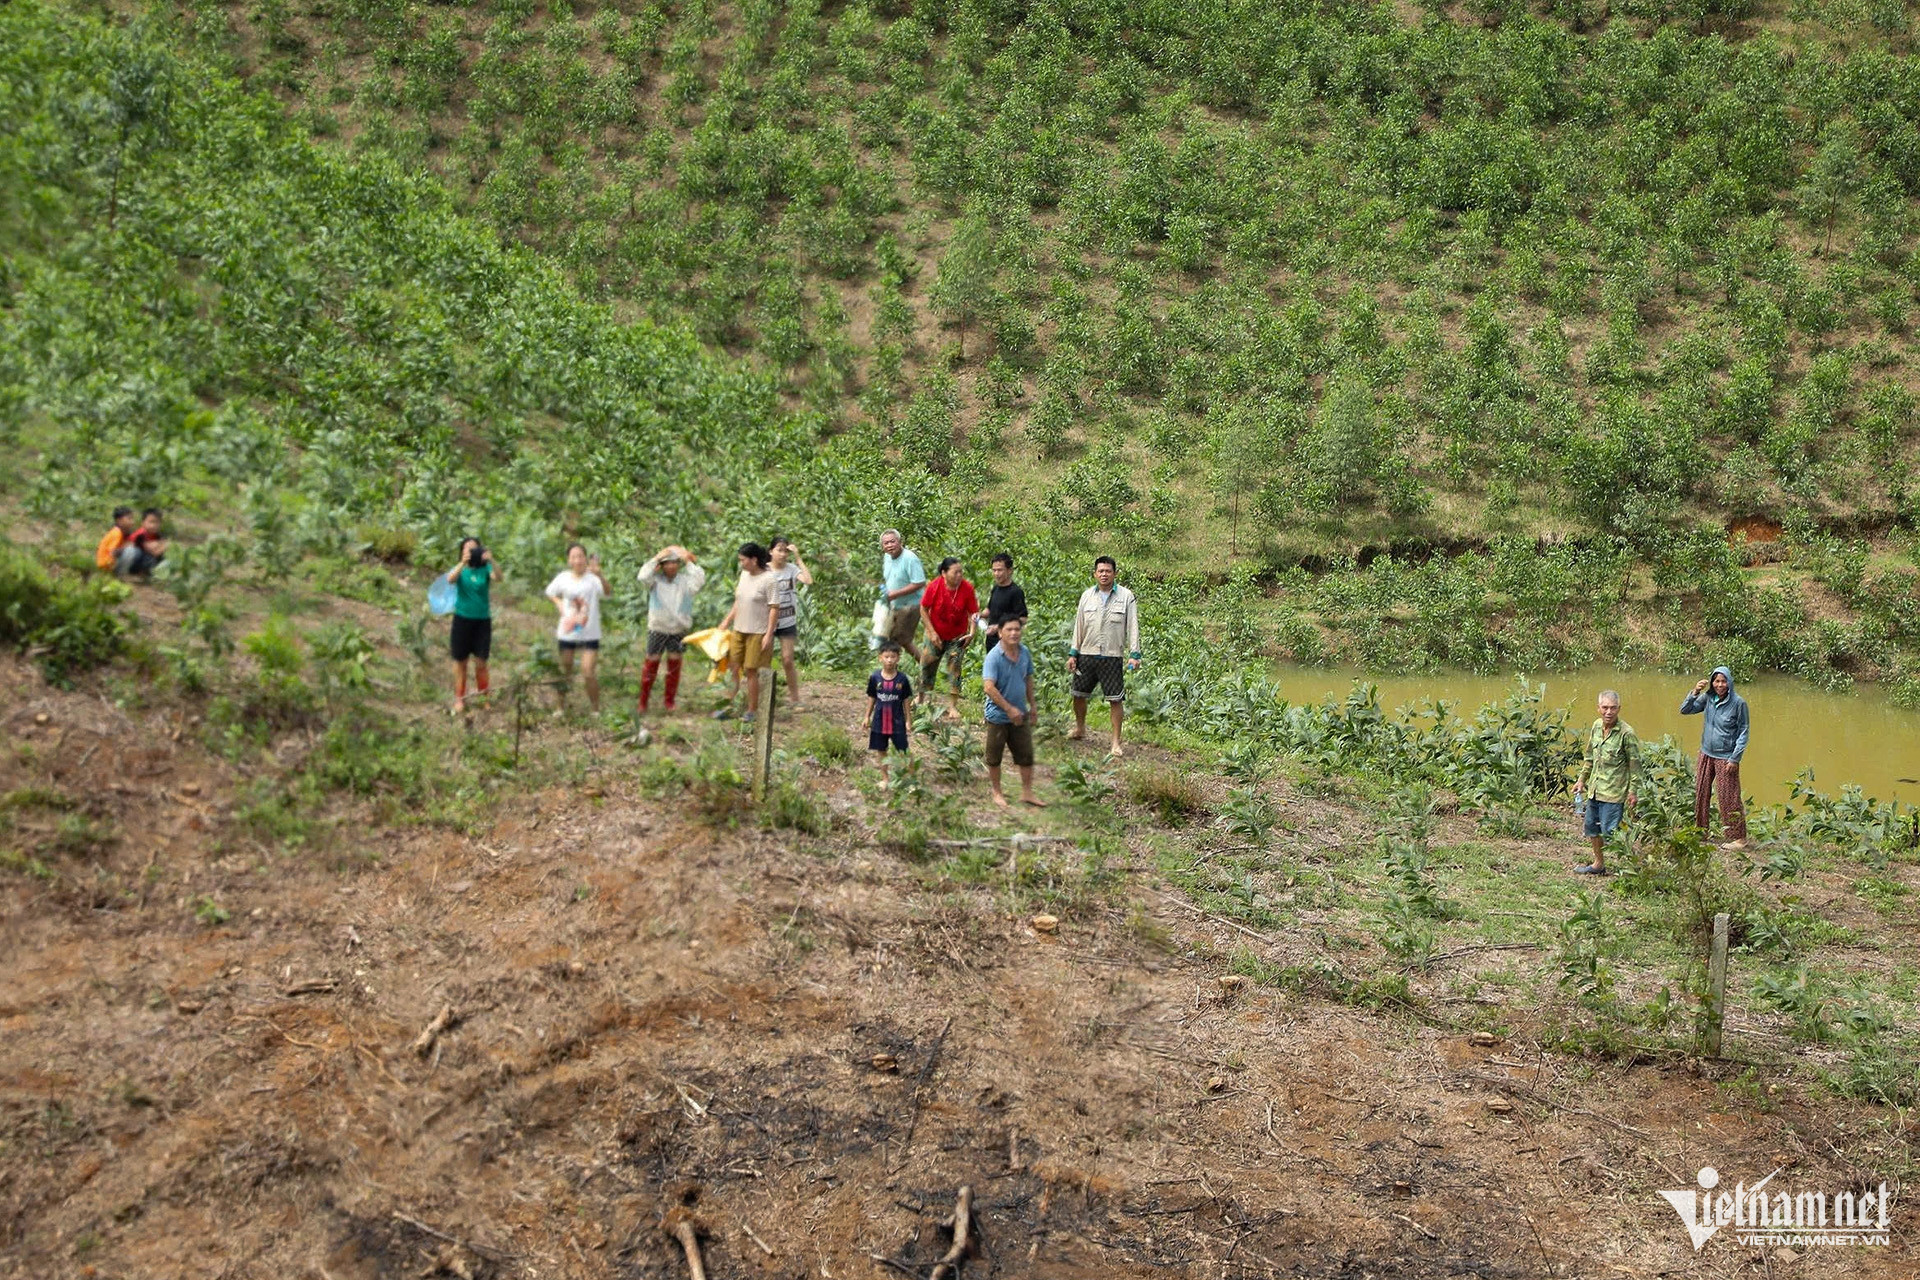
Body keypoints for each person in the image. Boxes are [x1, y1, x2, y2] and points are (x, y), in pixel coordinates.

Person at [1068, 555, 1141, 757]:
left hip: (1112, 655)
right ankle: (1080, 728)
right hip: (1087, 653)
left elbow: (1133, 626)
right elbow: (1079, 626)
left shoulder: (1126, 596)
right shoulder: (1087, 596)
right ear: (1095, 574)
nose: (1104, 574)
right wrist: (1073, 653)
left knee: (1116, 699)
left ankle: (1116, 742)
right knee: (1078, 694)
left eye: (1108, 571)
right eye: (1100, 571)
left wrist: (1134, 654)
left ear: (1115, 574)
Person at [1572, 690, 1640, 876]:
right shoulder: (1596, 726)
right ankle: (1598, 864)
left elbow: (1635, 766)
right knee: (1592, 828)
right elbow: (1589, 757)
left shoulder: (1626, 733)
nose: (1609, 712)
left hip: (1614, 792)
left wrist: (1632, 792)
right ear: (1598, 708)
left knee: (1612, 833)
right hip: (1595, 790)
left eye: (1613, 708)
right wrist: (1581, 780)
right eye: (1605, 707)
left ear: (1619, 709)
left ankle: (1632, 867)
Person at [1682, 666, 1750, 851]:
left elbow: (1744, 731)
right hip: (1706, 753)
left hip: (1726, 756)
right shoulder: (1708, 698)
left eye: (1723, 681)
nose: (1720, 685)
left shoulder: (1738, 703)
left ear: (1729, 682)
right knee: (1701, 792)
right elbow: (1685, 710)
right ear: (1712, 682)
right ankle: (1701, 832)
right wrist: (1695, 692)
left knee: (1729, 796)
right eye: (1716, 681)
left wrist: (1735, 758)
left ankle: (1739, 838)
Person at [983, 616, 1045, 809]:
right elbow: (989, 687)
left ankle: (1027, 792)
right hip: (998, 716)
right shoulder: (994, 657)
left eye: (1017, 629)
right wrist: (1009, 709)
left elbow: (1028, 679)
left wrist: (1032, 706)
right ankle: (997, 792)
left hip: (1020, 713)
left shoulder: (1024, 652)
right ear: (1000, 632)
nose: (1014, 633)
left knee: (1026, 754)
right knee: (994, 757)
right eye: (1009, 629)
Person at [714, 543, 779, 723]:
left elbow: (774, 609)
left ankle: (752, 710)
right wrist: (727, 621)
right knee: (733, 666)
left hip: (757, 632)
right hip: (739, 629)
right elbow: (739, 601)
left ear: (754, 560)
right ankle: (729, 705)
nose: (741, 563)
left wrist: (768, 634)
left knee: (751, 670)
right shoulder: (744, 575)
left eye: (743, 560)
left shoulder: (769, 580)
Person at [637, 544, 705, 713]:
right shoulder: (654, 580)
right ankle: (643, 702)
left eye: (675, 562)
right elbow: (642, 576)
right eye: (667, 563)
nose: (671, 566)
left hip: (678, 629)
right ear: (662, 565)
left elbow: (699, 579)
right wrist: (656, 558)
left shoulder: (685, 582)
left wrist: (687, 560)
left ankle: (669, 702)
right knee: (651, 663)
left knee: (674, 666)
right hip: (658, 628)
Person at [545, 544, 609, 712]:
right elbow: (550, 592)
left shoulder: (593, 578)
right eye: (574, 557)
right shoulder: (563, 577)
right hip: (567, 633)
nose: (578, 560)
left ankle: (595, 710)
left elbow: (607, 592)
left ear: (585, 558)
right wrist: (558, 602)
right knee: (565, 669)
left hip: (590, 633)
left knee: (588, 671)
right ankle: (560, 707)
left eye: (580, 556)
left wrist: (600, 575)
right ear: (569, 560)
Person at [918, 556, 979, 720]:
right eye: (955, 572)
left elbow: (974, 613)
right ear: (944, 573)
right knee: (926, 665)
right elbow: (923, 609)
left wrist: (972, 632)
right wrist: (931, 632)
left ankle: (952, 706)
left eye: (961, 572)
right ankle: (921, 698)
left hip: (957, 636)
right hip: (935, 633)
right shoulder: (934, 586)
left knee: (955, 669)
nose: (959, 575)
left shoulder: (967, 588)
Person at [446, 537, 496, 714]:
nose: (471, 552)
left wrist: (492, 561)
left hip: (482, 621)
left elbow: (498, 577)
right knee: (460, 661)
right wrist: (462, 563)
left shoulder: (486, 569)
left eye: (474, 549)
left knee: (481, 662)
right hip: (462, 619)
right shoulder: (460, 569)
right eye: (467, 549)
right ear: (461, 552)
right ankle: (459, 697)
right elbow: (450, 579)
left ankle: (484, 697)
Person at [768, 538, 813, 711]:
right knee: (765, 660)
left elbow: (808, 580)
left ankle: (795, 699)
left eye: (785, 551)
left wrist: (798, 557)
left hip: (787, 620)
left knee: (787, 660)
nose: (782, 554)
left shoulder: (791, 569)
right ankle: (766, 699)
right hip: (767, 621)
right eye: (779, 550)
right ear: (771, 551)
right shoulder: (765, 569)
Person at [865, 640, 913, 789]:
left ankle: (911, 781)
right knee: (881, 751)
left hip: (897, 722)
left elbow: (906, 700)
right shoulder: (875, 678)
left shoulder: (902, 679)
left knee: (904, 751)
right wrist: (867, 716)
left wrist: (908, 720)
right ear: (880, 657)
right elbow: (872, 697)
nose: (890, 660)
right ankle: (885, 779)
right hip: (879, 722)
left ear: (898, 658)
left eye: (893, 657)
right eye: (886, 657)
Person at [879, 529, 927, 667]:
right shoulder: (887, 557)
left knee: (897, 641)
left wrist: (894, 594)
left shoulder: (910, 558)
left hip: (911, 605)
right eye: (886, 543)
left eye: (892, 542)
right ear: (882, 546)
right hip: (895, 604)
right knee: (899, 640)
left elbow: (919, 583)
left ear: (900, 542)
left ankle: (892, 672)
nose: (889, 545)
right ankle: (926, 667)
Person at [983, 552, 1027, 645]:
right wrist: (979, 615)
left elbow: (1023, 618)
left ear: (1009, 570)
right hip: (991, 640)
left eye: (1000, 570)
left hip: (1007, 642)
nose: (996, 574)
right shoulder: (995, 588)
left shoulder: (1016, 592)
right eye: (994, 570)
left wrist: (999, 627)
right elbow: (989, 610)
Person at [117, 508, 167, 577]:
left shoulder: (158, 535)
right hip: (129, 562)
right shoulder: (140, 534)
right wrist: (161, 545)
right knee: (147, 557)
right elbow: (154, 552)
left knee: (163, 559)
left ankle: (148, 575)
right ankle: (122, 574)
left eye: (157, 522)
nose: (154, 525)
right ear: (143, 523)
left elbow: (163, 545)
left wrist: (161, 545)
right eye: (151, 522)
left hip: (141, 561)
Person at [96, 507, 136, 572]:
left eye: (132, 519)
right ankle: (121, 574)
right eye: (129, 519)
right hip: (106, 564)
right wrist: (127, 547)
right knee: (131, 550)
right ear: (119, 521)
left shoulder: (120, 532)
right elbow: (112, 552)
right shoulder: (117, 533)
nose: (132, 522)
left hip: (106, 564)